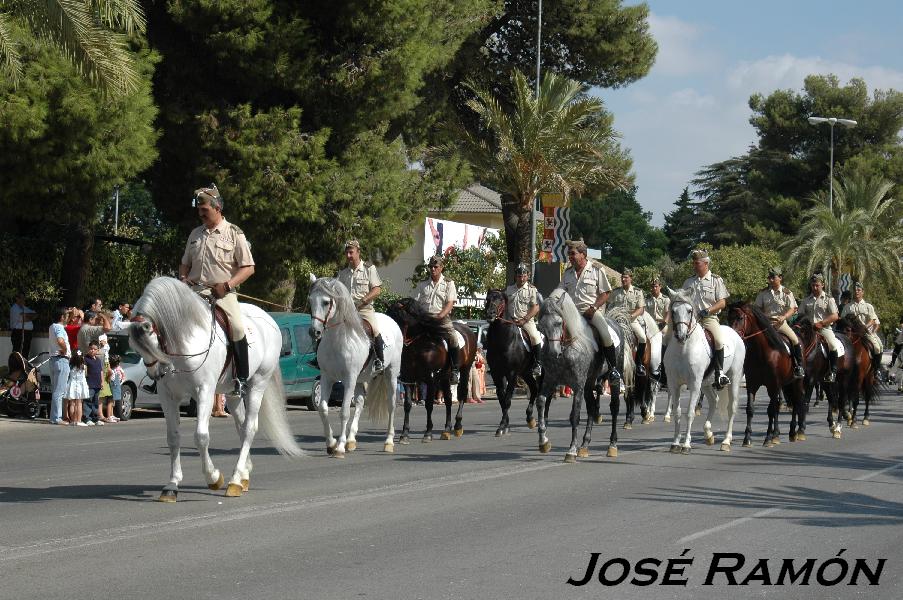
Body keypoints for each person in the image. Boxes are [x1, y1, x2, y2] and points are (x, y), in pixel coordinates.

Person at [179, 184, 255, 396]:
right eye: (199, 210)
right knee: (169, 322)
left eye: (205, 210)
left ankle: (241, 378)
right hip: (193, 292)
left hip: (222, 293)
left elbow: (248, 268)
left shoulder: (234, 233)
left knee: (238, 327)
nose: (201, 214)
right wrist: (183, 277)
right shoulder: (195, 233)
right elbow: (185, 263)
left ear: (218, 207)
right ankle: (162, 375)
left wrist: (228, 285)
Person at [557, 239, 621, 381]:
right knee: (552, 332)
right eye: (569, 254)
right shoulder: (567, 273)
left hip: (590, 312)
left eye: (573, 253)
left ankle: (613, 370)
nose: (570, 257)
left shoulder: (596, 270)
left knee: (605, 334)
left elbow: (605, 293)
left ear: (583, 254)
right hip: (571, 314)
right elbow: (560, 292)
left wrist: (594, 308)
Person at [681, 249, 731, 388]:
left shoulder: (716, 280)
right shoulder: (689, 281)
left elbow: (722, 302)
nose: (694, 266)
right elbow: (682, 299)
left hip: (709, 318)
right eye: (694, 263)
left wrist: (708, 310)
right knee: (675, 337)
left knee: (719, 341)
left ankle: (720, 373)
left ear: (706, 263)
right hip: (691, 319)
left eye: (697, 263)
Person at [336, 239, 385, 371]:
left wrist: (362, 301)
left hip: (364, 310)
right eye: (346, 253)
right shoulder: (342, 273)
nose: (348, 256)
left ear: (358, 252)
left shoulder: (369, 269)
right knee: (329, 326)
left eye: (351, 252)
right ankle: (323, 358)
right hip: (346, 311)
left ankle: (379, 360)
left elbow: (377, 290)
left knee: (374, 330)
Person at [411, 255, 462, 384]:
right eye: (431, 267)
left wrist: (441, 315)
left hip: (441, 319)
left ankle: (455, 369)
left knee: (453, 337)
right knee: (408, 336)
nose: (433, 269)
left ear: (441, 268)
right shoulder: (422, 284)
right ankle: (407, 368)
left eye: (435, 267)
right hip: (424, 319)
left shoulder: (448, 283)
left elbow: (450, 303)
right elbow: (415, 302)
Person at [754, 266, 805, 379]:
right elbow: (757, 308)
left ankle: (799, 366)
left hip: (781, 324)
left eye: (773, 277)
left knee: (795, 340)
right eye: (769, 278)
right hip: (766, 325)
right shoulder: (763, 293)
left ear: (780, 278)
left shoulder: (787, 293)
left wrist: (784, 317)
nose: (770, 280)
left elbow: (793, 308)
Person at [797, 273, 841, 382]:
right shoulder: (806, 300)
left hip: (824, 329)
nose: (815, 288)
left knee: (832, 344)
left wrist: (822, 323)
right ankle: (798, 368)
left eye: (817, 285)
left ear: (823, 285)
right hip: (808, 330)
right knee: (796, 343)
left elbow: (835, 316)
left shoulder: (829, 299)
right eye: (813, 285)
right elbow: (800, 314)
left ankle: (833, 371)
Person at [607, 268, 647, 376]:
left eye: (626, 277)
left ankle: (639, 364)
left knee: (642, 338)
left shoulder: (637, 292)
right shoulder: (615, 292)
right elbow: (609, 306)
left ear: (631, 279)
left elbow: (641, 309)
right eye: (622, 277)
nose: (623, 279)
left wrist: (631, 316)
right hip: (616, 321)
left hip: (631, 320)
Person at [505, 263, 542, 377]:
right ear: (515, 276)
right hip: (510, 321)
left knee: (535, 337)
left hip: (526, 321)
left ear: (527, 276)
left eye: (524, 275)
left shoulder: (532, 290)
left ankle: (537, 364)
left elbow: (536, 307)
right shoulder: (509, 289)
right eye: (519, 276)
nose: (521, 278)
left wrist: (525, 319)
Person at [840, 282, 884, 370]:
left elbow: (872, 320)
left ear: (863, 292)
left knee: (878, 347)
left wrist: (865, 327)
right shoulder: (847, 307)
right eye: (855, 290)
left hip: (865, 332)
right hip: (851, 333)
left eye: (859, 290)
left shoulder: (868, 306)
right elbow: (842, 320)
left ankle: (876, 370)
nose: (856, 292)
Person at [47, 306, 71, 425]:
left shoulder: (52, 327)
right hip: (61, 360)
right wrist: (65, 349)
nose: (68, 318)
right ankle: (57, 418)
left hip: (53, 360)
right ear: (62, 317)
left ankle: (54, 417)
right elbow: (60, 341)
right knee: (59, 391)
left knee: (56, 390)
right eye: (66, 316)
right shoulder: (59, 327)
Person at [83, 341, 104, 425]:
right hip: (90, 383)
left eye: (94, 349)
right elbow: (84, 372)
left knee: (95, 402)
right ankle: (86, 418)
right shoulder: (85, 359)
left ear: (97, 350)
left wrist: (102, 382)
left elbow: (101, 371)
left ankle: (95, 418)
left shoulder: (98, 360)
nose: (92, 350)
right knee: (88, 401)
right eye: (91, 349)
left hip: (97, 383)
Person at [66, 352, 90, 426]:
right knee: (79, 403)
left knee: (72, 404)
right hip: (80, 385)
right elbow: (85, 375)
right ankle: (79, 420)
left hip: (72, 385)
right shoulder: (84, 367)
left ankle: (73, 420)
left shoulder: (70, 366)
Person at [9, 292, 36, 357]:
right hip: (18, 333)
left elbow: (35, 314)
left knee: (25, 352)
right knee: (18, 352)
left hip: (27, 333)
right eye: (21, 298)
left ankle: (23, 366)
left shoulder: (25, 308)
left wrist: (27, 316)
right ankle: (16, 366)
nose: (23, 300)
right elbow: (23, 318)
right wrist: (29, 317)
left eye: (24, 298)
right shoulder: (14, 308)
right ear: (17, 298)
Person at [108, 355, 124, 423]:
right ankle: (109, 416)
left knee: (113, 402)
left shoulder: (113, 370)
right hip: (113, 387)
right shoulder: (113, 371)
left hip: (115, 386)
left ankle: (112, 415)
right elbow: (111, 379)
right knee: (110, 402)